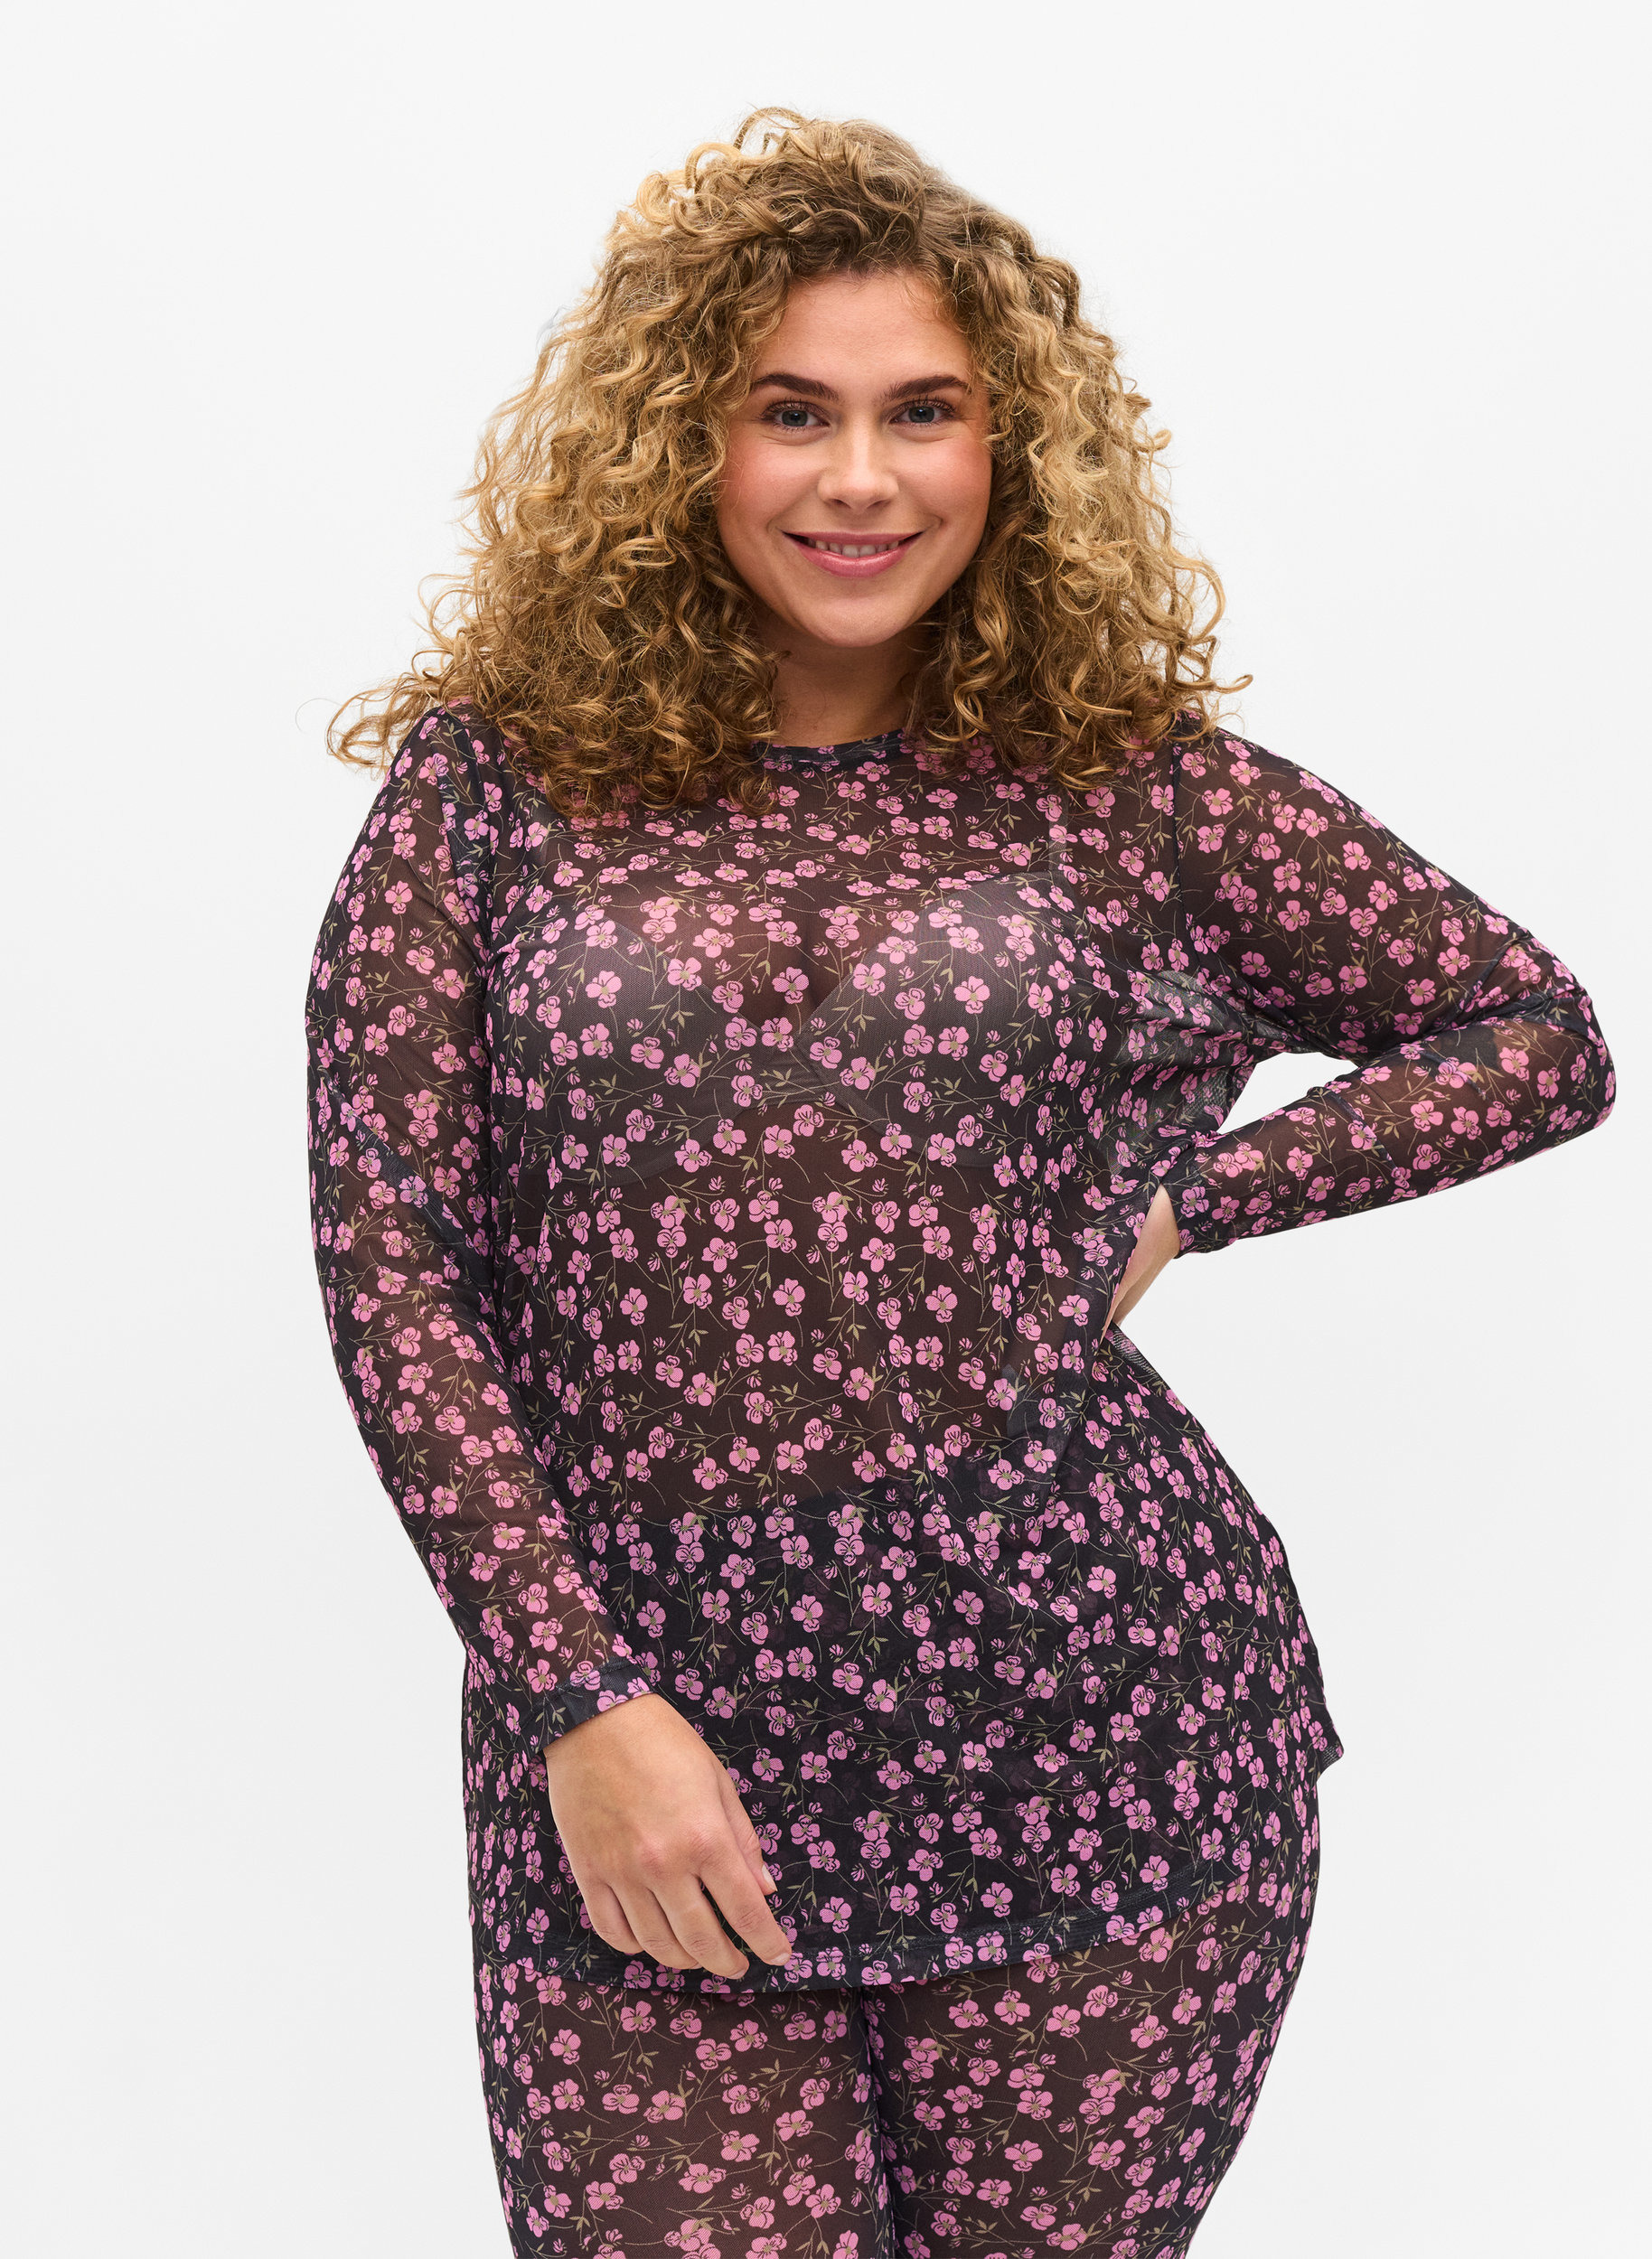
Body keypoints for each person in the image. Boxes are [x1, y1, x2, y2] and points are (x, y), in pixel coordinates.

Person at [306, 111, 1613, 2259]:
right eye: (788, 411)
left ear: (1010, 448)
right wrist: (574, 1696)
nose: (858, 476)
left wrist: (1193, 1199)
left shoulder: (1127, 789)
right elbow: (395, 1261)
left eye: (923, 411)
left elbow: (1529, 1035)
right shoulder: (490, 788)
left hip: (1099, 1720)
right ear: (677, 440)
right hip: (650, 1735)